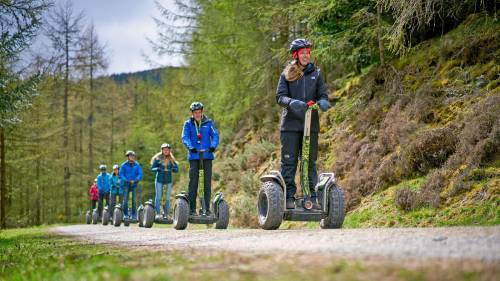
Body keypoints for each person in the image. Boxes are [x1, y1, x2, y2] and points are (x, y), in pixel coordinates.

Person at [275, 38, 331, 209]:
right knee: (289, 162)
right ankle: (289, 197)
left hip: (310, 125)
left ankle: (311, 197)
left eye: (308, 52)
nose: (306, 55)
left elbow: (322, 94)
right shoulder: (287, 73)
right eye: (303, 53)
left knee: (309, 161)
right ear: (296, 55)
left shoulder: (317, 73)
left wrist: (323, 101)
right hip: (290, 126)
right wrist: (291, 102)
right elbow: (280, 97)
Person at [181, 102, 219, 216]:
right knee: (193, 183)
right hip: (194, 157)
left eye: (199, 112)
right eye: (195, 112)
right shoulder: (188, 124)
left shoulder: (208, 123)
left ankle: (206, 209)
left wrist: (213, 146)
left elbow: (215, 135)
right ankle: (192, 210)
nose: (197, 114)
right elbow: (185, 137)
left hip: (207, 157)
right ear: (192, 113)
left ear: (202, 112)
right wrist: (190, 147)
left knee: (206, 183)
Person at [150, 143, 179, 220]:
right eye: (164, 149)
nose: (166, 151)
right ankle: (158, 213)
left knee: (167, 198)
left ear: (169, 150)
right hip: (159, 180)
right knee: (159, 196)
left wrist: (174, 169)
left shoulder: (171, 159)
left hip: (168, 180)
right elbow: (152, 168)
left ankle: (166, 214)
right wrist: (157, 169)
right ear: (162, 150)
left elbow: (177, 169)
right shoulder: (157, 158)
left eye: (167, 149)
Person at [119, 150, 143, 220]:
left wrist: (135, 180)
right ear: (128, 157)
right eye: (130, 156)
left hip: (134, 184)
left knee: (134, 200)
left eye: (133, 156)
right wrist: (126, 179)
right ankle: (125, 215)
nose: (132, 157)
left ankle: (134, 215)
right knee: (125, 200)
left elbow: (140, 174)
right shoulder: (123, 165)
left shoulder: (137, 165)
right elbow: (121, 174)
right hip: (126, 184)